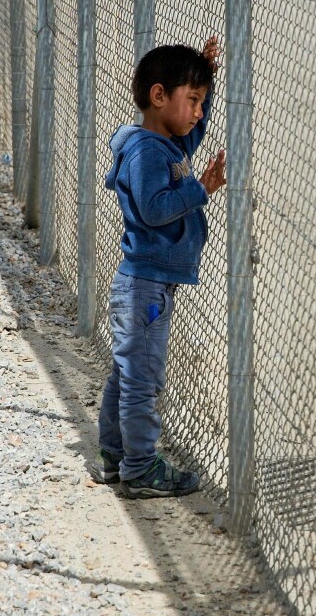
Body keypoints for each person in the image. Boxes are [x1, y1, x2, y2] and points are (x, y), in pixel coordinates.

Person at [89, 37, 226, 499]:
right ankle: (142, 467)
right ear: (159, 96)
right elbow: (152, 207)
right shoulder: (148, 153)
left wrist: (206, 76)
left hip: (145, 284)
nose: (198, 113)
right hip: (145, 288)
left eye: (202, 102)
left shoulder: (160, 143)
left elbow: (188, 137)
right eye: (192, 101)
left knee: (127, 373)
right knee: (142, 378)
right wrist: (200, 189)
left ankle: (114, 456)